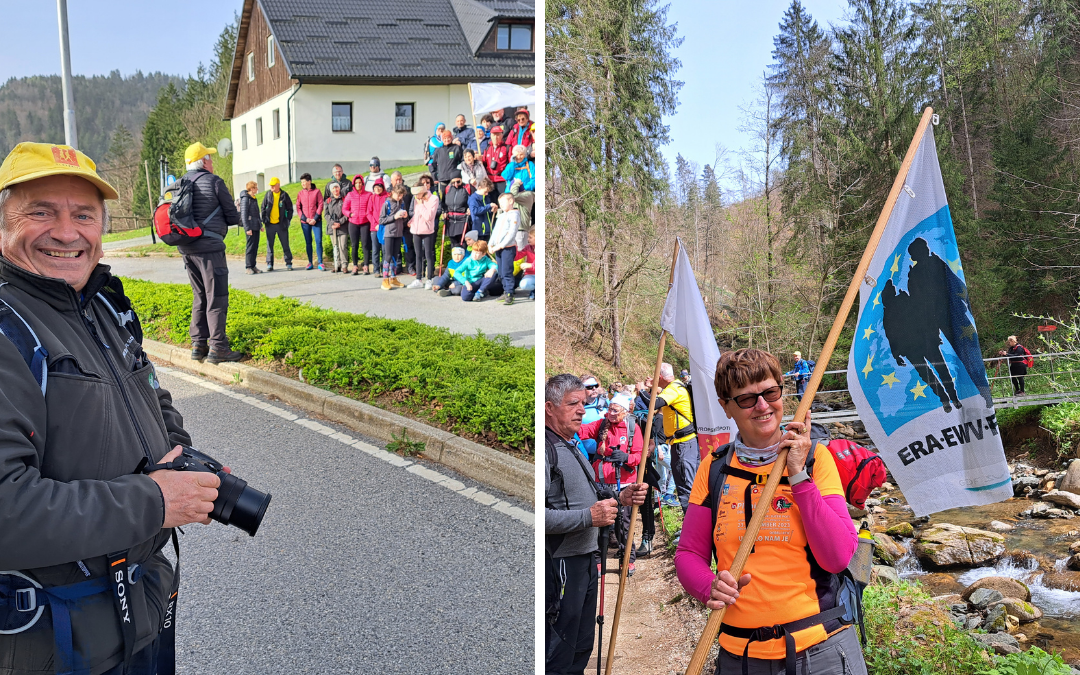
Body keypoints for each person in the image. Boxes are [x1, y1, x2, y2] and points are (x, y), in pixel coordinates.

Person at [0, 141, 228, 674]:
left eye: (84, 215)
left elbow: (149, 392)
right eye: (41, 213)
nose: (67, 232)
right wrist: (155, 500)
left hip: (138, 608)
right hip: (51, 641)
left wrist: (180, 460)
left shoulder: (100, 303)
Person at [674, 348, 866, 675]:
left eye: (771, 393)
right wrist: (708, 586)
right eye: (747, 399)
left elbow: (837, 558)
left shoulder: (815, 459)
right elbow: (689, 553)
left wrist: (798, 475)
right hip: (741, 656)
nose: (763, 406)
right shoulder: (714, 468)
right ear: (726, 407)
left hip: (822, 651)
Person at [545, 374, 647, 675]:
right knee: (559, 650)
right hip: (562, 562)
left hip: (588, 559)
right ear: (549, 408)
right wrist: (589, 518)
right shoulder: (546, 449)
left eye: (583, 402)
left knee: (581, 644)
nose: (582, 409)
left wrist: (621, 497)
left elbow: (590, 492)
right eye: (572, 403)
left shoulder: (571, 444)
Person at [176, 142, 244, 362]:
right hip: (210, 248)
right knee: (217, 297)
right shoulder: (214, 182)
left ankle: (198, 345)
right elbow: (232, 217)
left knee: (200, 295)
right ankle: (218, 347)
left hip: (187, 248)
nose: (212, 162)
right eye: (210, 158)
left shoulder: (179, 183)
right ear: (204, 162)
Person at [579, 393, 643, 576]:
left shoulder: (632, 428)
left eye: (615, 410)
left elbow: (639, 456)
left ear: (624, 411)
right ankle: (598, 560)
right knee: (600, 521)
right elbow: (580, 431)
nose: (611, 413)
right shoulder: (601, 424)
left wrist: (626, 457)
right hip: (601, 481)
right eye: (610, 409)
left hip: (624, 483)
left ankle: (627, 560)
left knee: (623, 523)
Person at [652, 362, 697, 512]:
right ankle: (689, 521)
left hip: (684, 444)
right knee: (682, 486)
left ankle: (693, 522)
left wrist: (645, 390)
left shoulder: (674, 389)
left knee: (686, 486)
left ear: (660, 377)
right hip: (678, 443)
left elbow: (653, 404)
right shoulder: (674, 387)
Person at [406, 182, 441, 289]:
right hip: (416, 230)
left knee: (428, 254)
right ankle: (418, 279)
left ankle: (429, 279)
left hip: (427, 230)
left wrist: (421, 204)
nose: (415, 196)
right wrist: (411, 221)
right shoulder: (416, 199)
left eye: (417, 194)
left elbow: (428, 216)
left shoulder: (434, 199)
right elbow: (417, 214)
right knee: (418, 255)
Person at [489, 192, 519, 305]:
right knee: (501, 272)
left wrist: (500, 245)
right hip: (498, 248)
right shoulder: (501, 215)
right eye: (499, 203)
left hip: (508, 248)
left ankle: (510, 293)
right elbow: (495, 231)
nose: (501, 205)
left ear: (511, 201)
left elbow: (511, 233)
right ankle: (505, 291)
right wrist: (490, 244)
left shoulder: (514, 215)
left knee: (507, 271)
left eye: (503, 202)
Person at [377, 184, 409, 290]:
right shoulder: (387, 204)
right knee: (388, 256)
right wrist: (394, 217)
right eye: (398, 195)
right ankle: (385, 280)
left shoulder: (402, 203)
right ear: (392, 193)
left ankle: (393, 278)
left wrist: (405, 217)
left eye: (401, 195)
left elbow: (403, 220)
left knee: (395, 256)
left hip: (398, 233)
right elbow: (381, 220)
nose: (399, 197)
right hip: (388, 233)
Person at [261, 176, 293, 272]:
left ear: (278, 185)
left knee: (285, 244)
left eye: (273, 185)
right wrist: (264, 220)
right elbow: (263, 208)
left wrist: (287, 220)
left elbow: (290, 209)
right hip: (270, 224)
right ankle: (269, 264)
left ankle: (288, 263)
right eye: (271, 185)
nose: (271, 187)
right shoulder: (268, 195)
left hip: (281, 224)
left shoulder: (284, 195)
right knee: (269, 245)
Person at [501, 144, 535, 232]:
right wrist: (512, 164)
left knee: (523, 215)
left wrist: (525, 188)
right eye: (517, 154)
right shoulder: (511, 165)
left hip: (524, 193)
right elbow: (506, 176)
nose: (519, 157)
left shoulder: (529, 164)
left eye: (521, 154)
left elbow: (534, 179)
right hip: (511, 193)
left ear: (525, 154)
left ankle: (523, 231)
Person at [342, 174, 371, 275]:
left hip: (365, 223)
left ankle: (366, 266)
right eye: (356, 183)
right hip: (353, 223)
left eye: (360, 183)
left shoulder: (368, 195)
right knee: (354, 245)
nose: (358, 185)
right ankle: (355, 266)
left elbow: (370, 208)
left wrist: (366, 215)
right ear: (354, 184)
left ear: (363, 184)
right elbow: (344, 209)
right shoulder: (350, 195)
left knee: (365, 245)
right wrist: (350, 214)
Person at [296, 173, 325, 270]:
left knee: (318, 241)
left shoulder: (317, 192)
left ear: (309, 182)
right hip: (305, 222)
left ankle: (320, 262)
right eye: (301, 182)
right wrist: (305, 219)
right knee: (308, 242)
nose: (302, 184)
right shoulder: (300, 193)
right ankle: (310, 262)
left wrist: (315, 218)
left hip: (316, 221)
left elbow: (321, 205)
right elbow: (298, 207)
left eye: (304, 182)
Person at [389, 171, 414, 274]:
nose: (399, 181)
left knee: (408, 246)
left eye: (400, 179)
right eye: (396, 180)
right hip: (394, 224)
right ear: (391, 181)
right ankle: (397, 267)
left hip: (406, 224)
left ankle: (410, 267)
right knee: (396, 247)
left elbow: (412, 206)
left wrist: (410, 219)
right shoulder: (388, 192)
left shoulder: (407, 191)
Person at [431, 129, 464, 199]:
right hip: (442, 179)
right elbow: (433, 164)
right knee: (442, 198)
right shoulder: (438, 150)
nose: (446, 140)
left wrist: (459, 174)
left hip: (454, 179)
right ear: (442, 139)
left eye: (448, 138)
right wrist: (435, 176)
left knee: (454, 198)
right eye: (445, 138)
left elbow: (463, 161)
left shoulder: (456, 148)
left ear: (451, 138)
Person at [325, 181, 348, 273]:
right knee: (335, 246)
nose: (335, 190)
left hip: (343, 227)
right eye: (333, 188)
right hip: (332, 228)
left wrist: (340, 222)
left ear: (339, 188)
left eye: (337, 187)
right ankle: (336, 264)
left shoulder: (344, 199)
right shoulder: (328, 201)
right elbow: (326, 214)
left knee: (343, 246)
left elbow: (346, 213)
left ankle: (344, 265)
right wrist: (333, 223)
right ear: (331, 190)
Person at [239, 179, 262, 274]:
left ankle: (253, 265)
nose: (257, 189)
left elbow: (257, 214)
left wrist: (260, 225)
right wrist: (247, 228)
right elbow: (244, 215)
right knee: (250, 247)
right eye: (256, 187)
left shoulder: (253, 198)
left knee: (255, 246)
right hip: (250, 227)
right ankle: (248, 267)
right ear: (251, 189)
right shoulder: (246, 199)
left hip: (256, 226)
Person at [442, 176, 471, 248]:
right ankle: (454, 255)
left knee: (462, 242)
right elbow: (442, 202)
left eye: (458, 182)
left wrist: (470, 208)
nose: (456, 184)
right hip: (450, 219)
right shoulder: (448, 189)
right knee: (453, 243)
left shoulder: (467, 188)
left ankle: (463, 255)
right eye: (453, 182)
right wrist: (444, 211)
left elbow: (472, 200)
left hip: (463, 218)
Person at [484, 126, 511, 196]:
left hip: (502, 180)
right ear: (490, 136)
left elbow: (511, 164)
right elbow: (484, 162)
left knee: (503, 200)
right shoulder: (487, 148)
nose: (495, 137)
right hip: (490, 180)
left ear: (502, 135)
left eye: (498, 135)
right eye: (493, 135)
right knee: (491, 201)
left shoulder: (507, 147)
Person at [514, 227, 535, 300]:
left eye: (530, 237)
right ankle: (534, 289)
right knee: (523, 285)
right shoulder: (528, 247)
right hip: (530, 274)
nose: (528, 239)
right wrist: (515, 247)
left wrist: (530, 265)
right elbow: (517, 257)